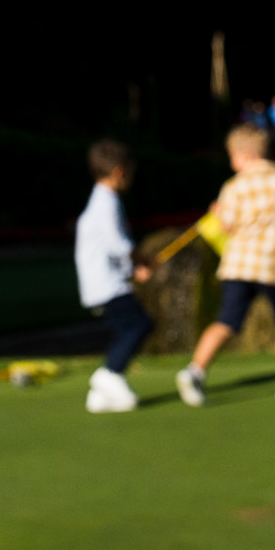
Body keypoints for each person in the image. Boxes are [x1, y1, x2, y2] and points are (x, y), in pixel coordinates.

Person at [175, 124, 275, 407]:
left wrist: (218, 214)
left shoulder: (234, 186)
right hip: (273, 264)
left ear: (243, 155)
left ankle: (194, 370)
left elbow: (228, 226)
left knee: (227, 320)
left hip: (238, 264)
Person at [76, 138, 154, 413]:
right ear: (119, 171)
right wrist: (141, 260)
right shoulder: (106, 201)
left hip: (104, 281)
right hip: (106, 284)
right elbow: (118, 244)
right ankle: (108, 374)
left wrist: (134, 269)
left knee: (126, 328)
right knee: (139, 325)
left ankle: (101, 397)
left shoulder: (102, 199)